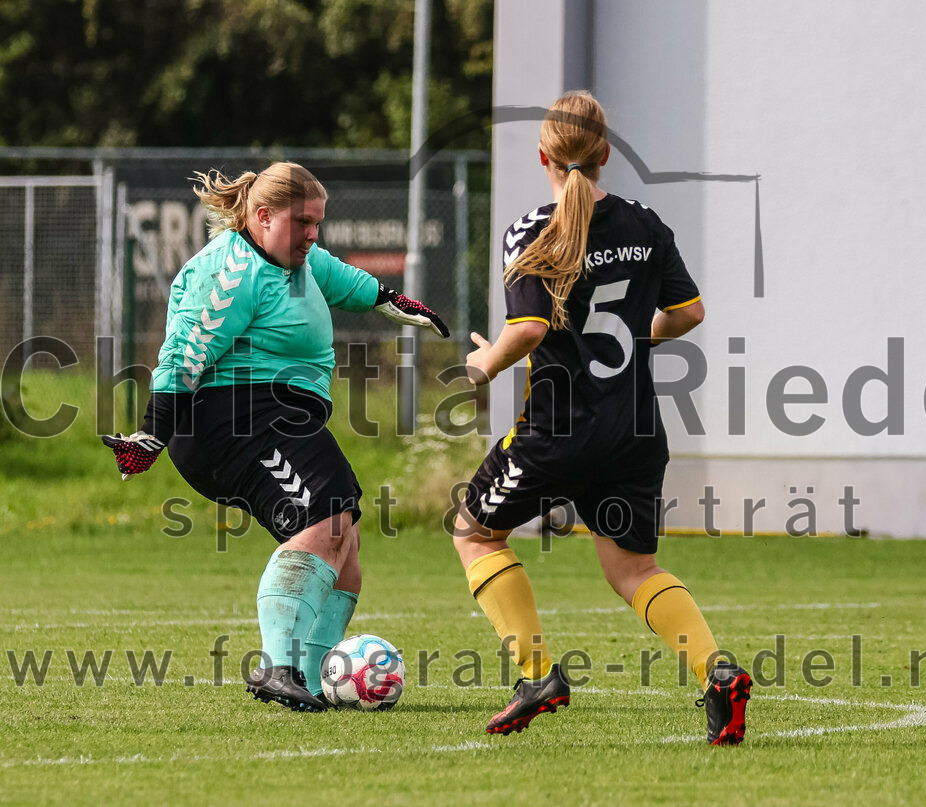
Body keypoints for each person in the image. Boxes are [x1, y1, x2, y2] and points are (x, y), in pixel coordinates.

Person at [454, 92, 751, 744]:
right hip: (635, 430)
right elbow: (691, 313)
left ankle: (536, 674)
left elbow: (528, 327)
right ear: (606, 153)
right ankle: (716, 671)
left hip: (558, 428)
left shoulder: (534, 229)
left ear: (543, 157)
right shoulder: (645, 225)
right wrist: (631, 338)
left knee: (474, 533)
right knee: (635, 570)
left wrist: (481, 367)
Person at [103, 162, 448, 712]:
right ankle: (277, 667)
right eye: (303, 222)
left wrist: (394, 301)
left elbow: (340, 278)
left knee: (345, 546)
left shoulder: (295, 260)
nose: (313, 235)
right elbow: (182, 355)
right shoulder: (231, 270)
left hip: (277, 418)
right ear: (262, 217)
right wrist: (151, 433)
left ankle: (309, 682)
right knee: (328, 519)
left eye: (318, 223)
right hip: (234, 421)